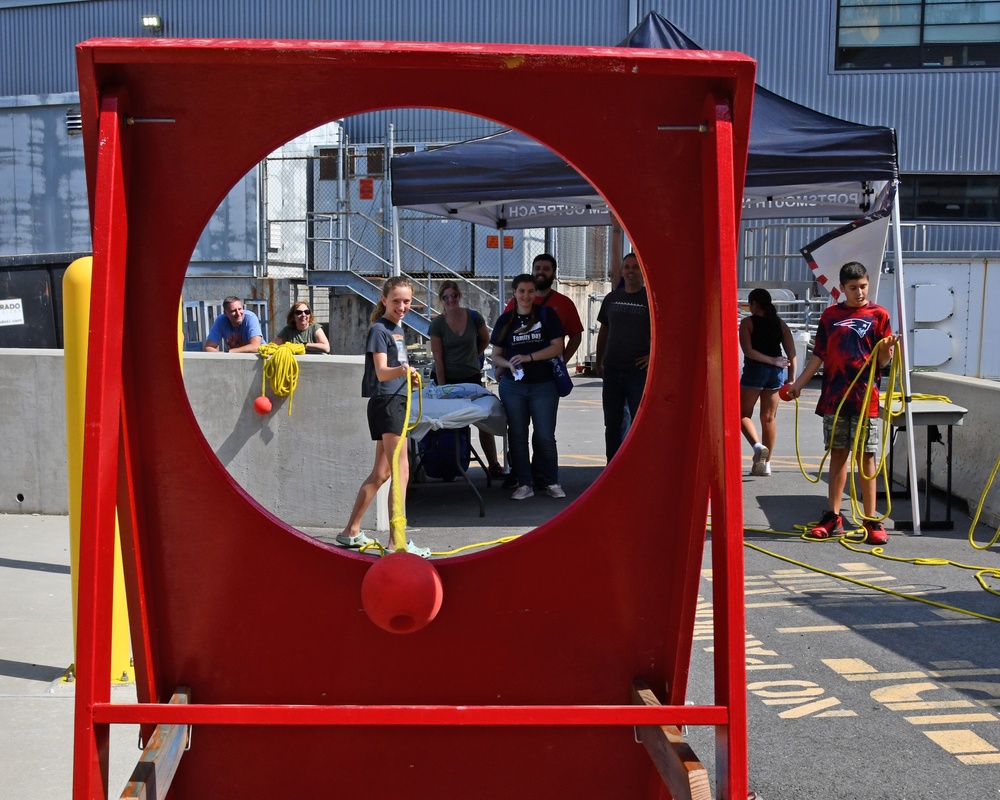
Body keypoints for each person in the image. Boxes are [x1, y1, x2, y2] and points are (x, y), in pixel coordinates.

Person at [786, 262, 899, 544]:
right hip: (836, 397)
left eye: (863, 286)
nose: (859, 292)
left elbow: (883, 362)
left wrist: (886, 351)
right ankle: (834, 516)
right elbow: (819, 357)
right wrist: (798, 384)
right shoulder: (830, 315)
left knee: (867, 458)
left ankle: (871, 518)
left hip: (865, 399)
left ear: (868, 284)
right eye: (853, 288)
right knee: (838, 454)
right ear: (843, 288)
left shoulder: (879, 315)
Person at [337, 276, 430, 557]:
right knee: (401, 472)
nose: (402, 306)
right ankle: (396, 542)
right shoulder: (380, 329)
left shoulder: (397, 330)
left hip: (393, 400)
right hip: (387, 404)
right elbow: (381, 371)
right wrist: (403, 371)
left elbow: (392, 370)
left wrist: (408, 377)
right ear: (384, 300)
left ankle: (351, 531)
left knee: (382, 473)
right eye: (397, 301)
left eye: (407, 301)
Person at [501, 253, 584, 488]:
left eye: (546, 269)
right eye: (537, 267)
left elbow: (576, 335)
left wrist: (561, 361)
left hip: (546, 379)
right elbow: (504, 337)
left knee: (543, 432)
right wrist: (502, 365)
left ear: (554, 273)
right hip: (517, 380)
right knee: (517, 431)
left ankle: (542, 475)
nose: (541, 272)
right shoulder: (515, 303)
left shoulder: (563, 303)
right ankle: (519, 474)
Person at [490, 274, 566, 500]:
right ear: (514, 293)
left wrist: (529, 357)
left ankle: (551, 481)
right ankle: (525, 483)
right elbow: (496, 355)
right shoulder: (506, 320)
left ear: (535, 293)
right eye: (521, 291)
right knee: (518, 435)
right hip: (513, 387)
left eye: (530, 291)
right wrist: (508, 365)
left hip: (544, 385)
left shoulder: (546, 314)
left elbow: (557, 347)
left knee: (544, 436)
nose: (526, 296)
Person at [428, 280, 504, 478]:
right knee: (449, 422)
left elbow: (485, 339)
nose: (451, 300)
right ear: (441, 300)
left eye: (454, 295)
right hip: (448, 378)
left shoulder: (473, 317)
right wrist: (442, 388)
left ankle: (493, 464)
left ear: (459, 296)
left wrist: (473, 356)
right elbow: (438, 358)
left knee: (482, 419)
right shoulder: (437, 324)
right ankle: (448, 465)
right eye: (446, 297)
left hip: (471, 376)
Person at [595, 252, 650, 460]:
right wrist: (599, 361)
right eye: (627, 267)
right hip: (612, 370)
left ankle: (637, 465)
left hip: (638, 371)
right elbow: (604, 331)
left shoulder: (650, 299)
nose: (630, 271)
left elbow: (664, 332)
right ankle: (612, 467)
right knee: (612, 423)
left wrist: (651, 354)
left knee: (639, 422)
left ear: (643, 271)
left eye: (635, 267)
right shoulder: (612, 299)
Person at [739, 288, 797, 476]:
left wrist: (770, 360)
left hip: (755, 370)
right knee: (769, 418)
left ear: (754, 304)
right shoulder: (780, 324)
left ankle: (757, 446)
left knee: (742, 414)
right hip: (776, 373)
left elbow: (748, 351)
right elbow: (792, 353)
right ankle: (767, 464)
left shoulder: (748, 323)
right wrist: (792, 379)